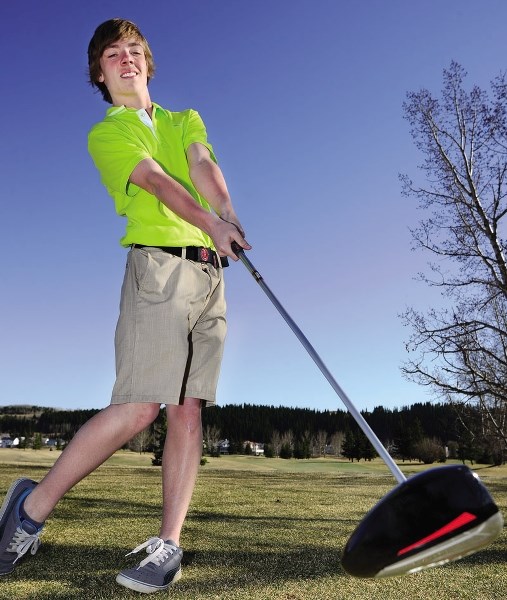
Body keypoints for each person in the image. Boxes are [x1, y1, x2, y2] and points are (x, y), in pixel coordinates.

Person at [0, 18, 250, 594]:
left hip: (207, 273)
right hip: (157, 269)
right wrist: (211, 223)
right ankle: (29, 511)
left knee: (188, 410)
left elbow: (203, 168)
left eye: (135, 51)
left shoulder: (185, 118)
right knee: (141, 407)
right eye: (114, 54)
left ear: (149, 62)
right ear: (99, 71)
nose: (127, 60)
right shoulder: (107, 133)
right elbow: (160, 182)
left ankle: (168, 543)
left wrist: (229, 217)